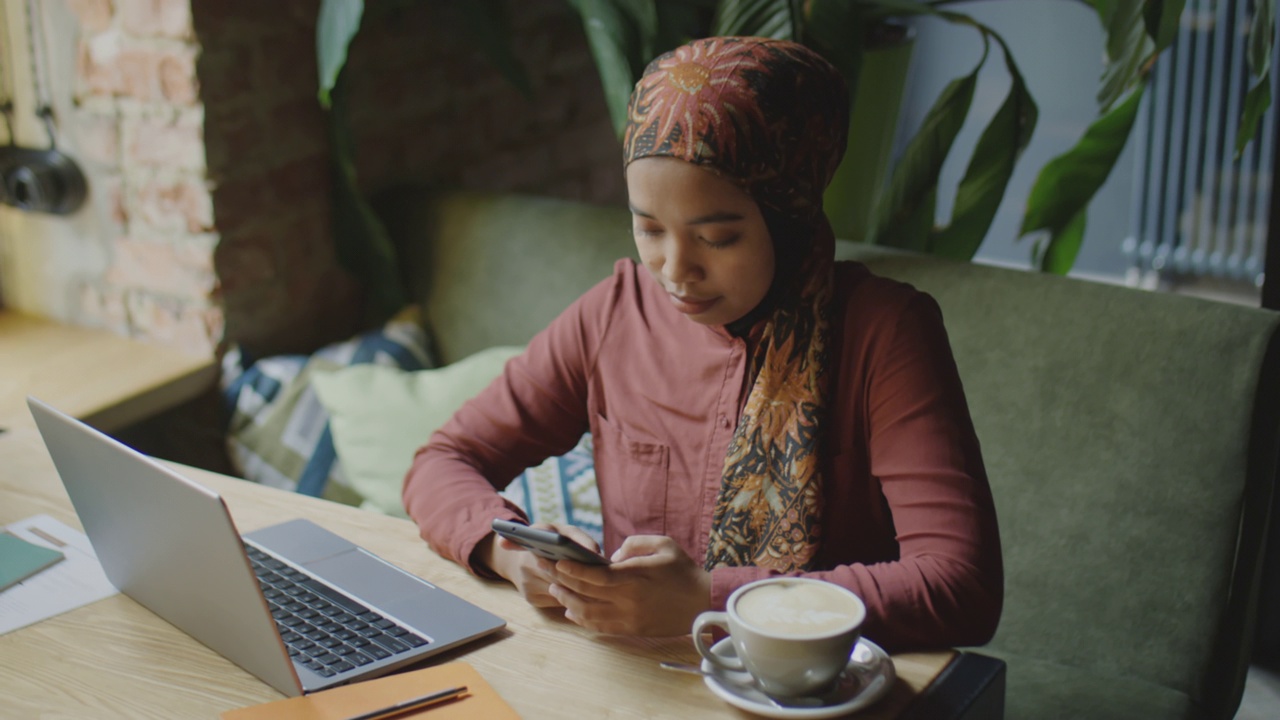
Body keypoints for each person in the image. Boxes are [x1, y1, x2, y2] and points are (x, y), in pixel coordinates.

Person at [403, 36, 1002, 652]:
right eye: (649, 228)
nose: (674, 269)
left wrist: (708, 601)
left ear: (788, 215)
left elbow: (961, 586)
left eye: (717, 237)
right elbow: (443, 461)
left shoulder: (885, 333)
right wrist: (509, 553)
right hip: (635, 683)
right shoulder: (614, 315)